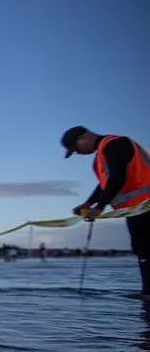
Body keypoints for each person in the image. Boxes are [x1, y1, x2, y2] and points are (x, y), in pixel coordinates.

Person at [63, 125, 150, 297]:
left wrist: (99, 208)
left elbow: (117, 178)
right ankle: (147, 292)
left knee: (146, 248)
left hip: (145, 205)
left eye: (76, 149)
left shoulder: (114, 144)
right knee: (142, 249)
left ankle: (148, 293)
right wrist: (89, 202)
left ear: (84, 137)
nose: (78, 153)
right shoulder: (104, 152)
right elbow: (107, 183)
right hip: (136, 209)